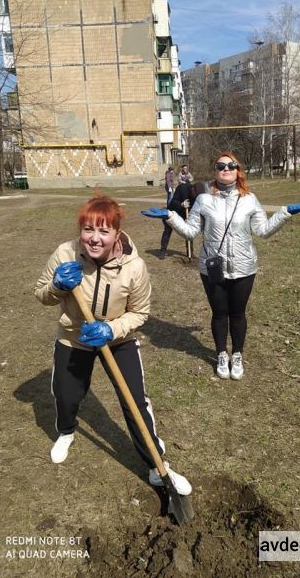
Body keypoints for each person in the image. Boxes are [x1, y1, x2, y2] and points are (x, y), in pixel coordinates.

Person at [34, 194, 191, 495]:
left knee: (135, 402)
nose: (94, 239)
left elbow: (140, 312)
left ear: (117, 234)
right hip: (74, 338)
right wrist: (57, 286)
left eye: (103, 231)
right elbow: (41, 294)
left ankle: (158, 465)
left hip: (118, 339)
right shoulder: (65, 253)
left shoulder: (134, 266)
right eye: (88, 229)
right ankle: (66, 432)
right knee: (66, 395)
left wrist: (111, 328)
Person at [142, 152, 300, 380]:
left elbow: (263, 230)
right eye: (221, 165)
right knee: (219, 313)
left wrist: (285, 213)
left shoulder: (249, 199)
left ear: (238, 170)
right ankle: (221, 353)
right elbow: (192, 232)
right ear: (215, 171)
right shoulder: (204, 200)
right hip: (212, 268)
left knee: (238, 313)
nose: (226, 168)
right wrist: (170, 216)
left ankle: (237, 354)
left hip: (244, 267)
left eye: (231, 165)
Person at [159, 181, 205, 260]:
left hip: (185, 214)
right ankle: (163, 251)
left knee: (189, 232)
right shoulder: (182, 188)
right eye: (195, 195)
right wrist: (181, 204)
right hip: (173, 212)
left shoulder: (198, 196)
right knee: (167, 231)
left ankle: (190, 252)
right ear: (192, 189)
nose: (196, 197)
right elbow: (173, 202)